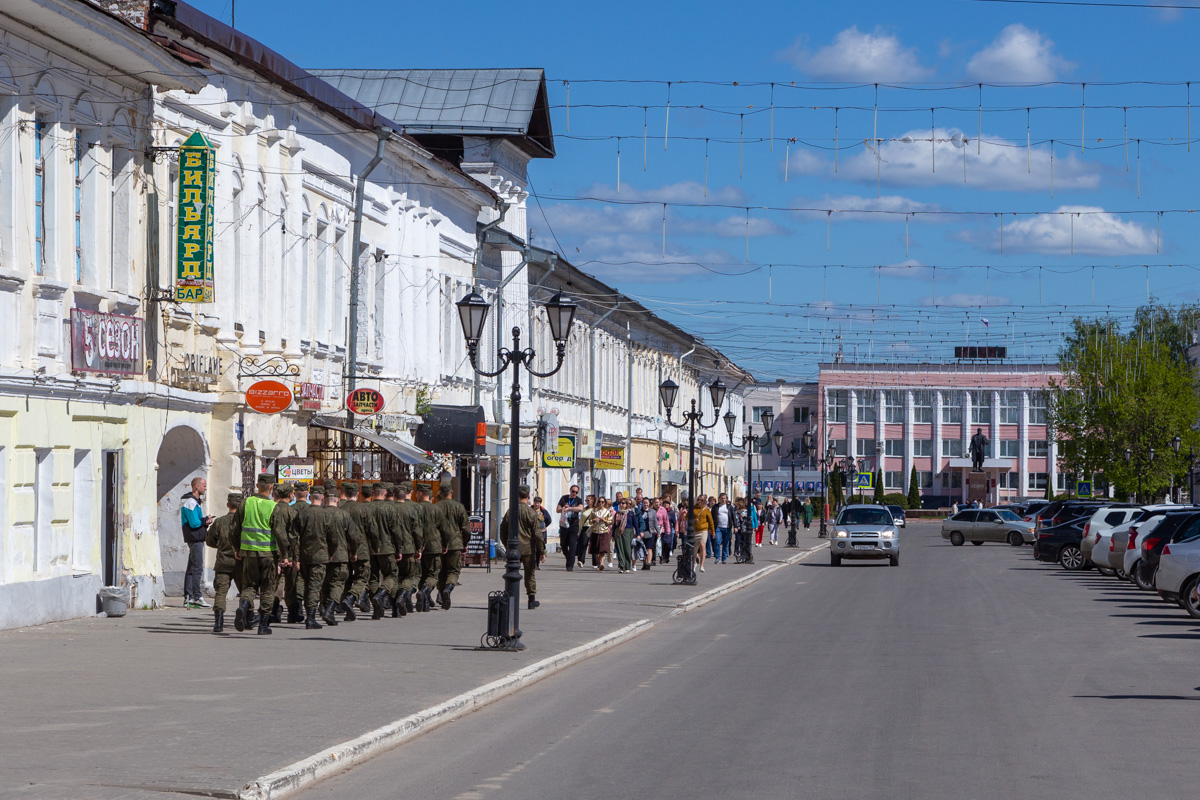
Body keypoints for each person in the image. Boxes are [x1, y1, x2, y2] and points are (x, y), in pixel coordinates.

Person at [233, 475, 286, 635]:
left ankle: (244, 605)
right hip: (268, 554)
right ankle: (263, 625)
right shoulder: (273, 507)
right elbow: (280, 533)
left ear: (257, 485)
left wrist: (237, 548)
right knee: (268, 588)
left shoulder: (245, 503)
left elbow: (234, 528)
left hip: (249, 552)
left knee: (249, 585)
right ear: (272, 488)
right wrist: (284, 555)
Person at [499, 485, 544, 609]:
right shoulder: (532, 512)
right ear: (528, 496)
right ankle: (531, 600)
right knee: (530, 575)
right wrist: (542, 551)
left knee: (511, 573)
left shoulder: (511, 510)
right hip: (528, 549)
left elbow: (502, 529)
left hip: (514, 549)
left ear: (517, 496)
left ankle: (511, 598)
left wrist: (506, 544)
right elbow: (537, 534)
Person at [204, 492, 243, 633]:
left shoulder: (219, 522)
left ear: (228, 504)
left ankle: (218, 622)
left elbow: (209, 541)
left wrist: (221, 546)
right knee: (246, 591)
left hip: (223, 563)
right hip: (241, 563)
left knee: (221, 593)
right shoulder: (244, 522)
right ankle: (247, 617)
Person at [338, 481, 375, 621]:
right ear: (357, 494)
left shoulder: (340, 508)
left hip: (342, 550)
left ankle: (345, 608)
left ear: (345, 493)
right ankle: (351, 597)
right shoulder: (363, 509)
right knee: (362, 577)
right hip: (361, 549)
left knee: (344, 578)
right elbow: (372, 530)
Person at [295, 483, 329, 630]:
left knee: (307, 584)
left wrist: (295, 557)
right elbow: (333, 537)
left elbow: (294, 537)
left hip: (304, 555)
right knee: (315, 586)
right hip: (320, 555)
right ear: (322, 497)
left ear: (310, 497)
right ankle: (311, 617)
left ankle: (306, 612)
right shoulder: (326, 514)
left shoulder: (302, 514)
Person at [180, 477, 214, 609]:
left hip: (195, 538)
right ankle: (197, 597)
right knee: (197, 568)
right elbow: (194, 523)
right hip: (195, 539)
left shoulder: (195, 502)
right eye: (203, 485)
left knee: (191, 569)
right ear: (196, 487)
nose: (205, 488)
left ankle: (188, 598)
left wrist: (205, 520)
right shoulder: (191, 502)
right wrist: (206, 521)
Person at [436, 483, 469, 609]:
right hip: (455, 544)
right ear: (452, 492)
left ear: (440, 493)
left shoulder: (436, 507)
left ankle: (440, 592)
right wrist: (464, 544)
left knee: (441, 571)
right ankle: (448, 590)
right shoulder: (459, 507)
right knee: (453, 571)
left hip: (439, 544)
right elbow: (466, 529)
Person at [556, 485, 583, 571]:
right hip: (564, 524)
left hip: (573, 524)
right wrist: (564, 508)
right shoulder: (564, 498)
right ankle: (569, 558)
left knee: (572, 545)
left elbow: (580, 508)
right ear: (570, 491)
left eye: (576, 492)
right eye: (573, 491)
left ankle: (570, 565)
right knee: (563, 545)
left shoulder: (578, 500)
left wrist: (570, 508)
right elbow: (557, 509)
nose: (574, 493)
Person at [589, 497, 614, 569]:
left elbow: (610, 521)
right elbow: (590, 521)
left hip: (604, 531)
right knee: (596, 550)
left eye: (602, 502)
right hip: (595, 531)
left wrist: (605, 520)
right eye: (600, 501)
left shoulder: (607, 512)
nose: (601, 503)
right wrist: (594, 520)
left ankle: (602, 563)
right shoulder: (594, 511)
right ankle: (599, 562)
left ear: (604, 503)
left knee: (602, 549)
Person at [614, 499, 637, 573]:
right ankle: (621, 566)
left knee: (627, 549)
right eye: (620, 503)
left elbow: (635, 524)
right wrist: (612, 535)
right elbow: (615, 525)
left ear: (626, 505)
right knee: (619, 549)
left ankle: (627, 566)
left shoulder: (630, 513)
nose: (621, 505)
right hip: (618, 531)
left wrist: (638, 534)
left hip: (627, 531)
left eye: (623, 503)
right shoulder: (617, 513)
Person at [713, 492, 735, 565]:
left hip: (727, 527)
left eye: (724, 498)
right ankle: (717, 558)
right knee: (717, 542)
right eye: (722, 498)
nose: (723, 500)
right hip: (718, 527)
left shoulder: (729, 507)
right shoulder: (715, 507)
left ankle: (724, 558)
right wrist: (711, 527)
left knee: (726, 543)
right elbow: (712, 517)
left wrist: (736, 526)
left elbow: (733, 517)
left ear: (726, 499)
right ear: (719, 499)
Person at [693, 497, 714, 573]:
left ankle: (702, 565)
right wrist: (693, 519)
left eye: (702, 500)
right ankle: (694, 562)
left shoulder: (706, 509)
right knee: (695, 547)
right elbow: (687, 517)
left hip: (704, 530)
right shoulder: (694, 508)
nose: (700, 501)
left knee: (702, 545)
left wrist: (713, 531)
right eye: (698, 500)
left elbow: (710, 520)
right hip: (695, 530)